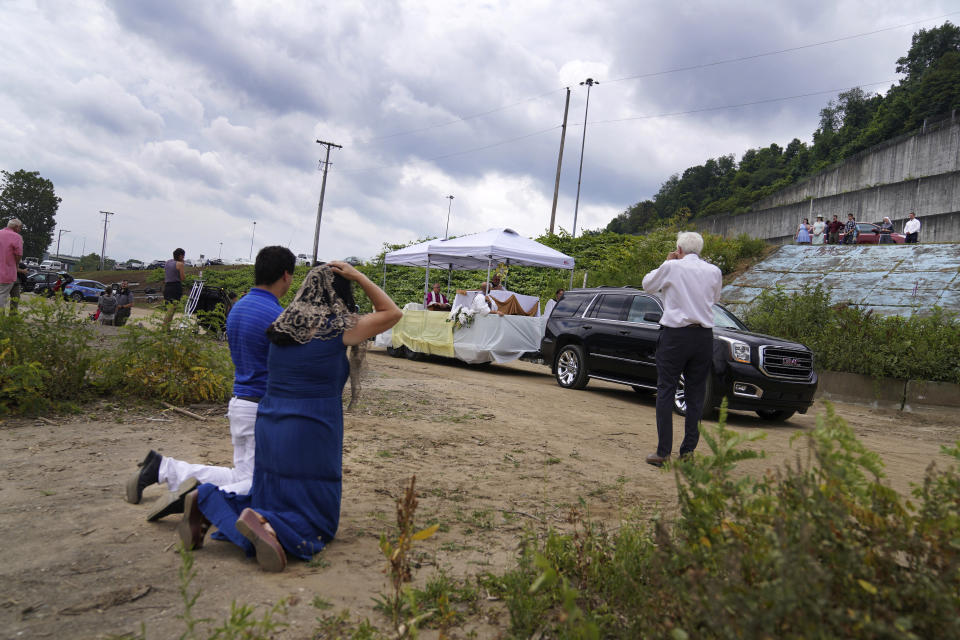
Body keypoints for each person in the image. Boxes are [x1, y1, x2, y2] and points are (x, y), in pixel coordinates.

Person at [178, 261, 402, 572]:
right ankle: (272, 529)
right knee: (316, 516)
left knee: (273, 496)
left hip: (270, 421)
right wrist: (359, 276)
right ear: (338, 294)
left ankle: (210, 499)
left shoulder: (280, 328)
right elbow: (392, 313)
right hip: (312, 426)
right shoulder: (337, 329)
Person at [125, 247, 296, 521]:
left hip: (240, 402)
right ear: (286, 275)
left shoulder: (239, 307)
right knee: (264, 486)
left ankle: (161, 469)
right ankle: (197, 499)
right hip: (261, 409)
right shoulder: (278, 316)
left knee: (242, 476)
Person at [641, 231, 722, 467]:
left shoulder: (672, 266)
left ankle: (663, 452)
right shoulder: (714, 271)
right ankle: (688, 453)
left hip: (676, 335)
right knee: (696, 394)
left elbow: (647, 285)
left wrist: (668, 262)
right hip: (704, 336)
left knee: (666, 389)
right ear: (700, 250)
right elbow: (714, 300)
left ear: (678, 249)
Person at [0, 219, 24, 311]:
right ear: (16, 227)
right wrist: (16, 264)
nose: (20, 229)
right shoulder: (17, 237)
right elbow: (19, 254)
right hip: (7, 272)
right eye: (20, 227)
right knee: (2, 295)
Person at [162, 248, 187, 328]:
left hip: (167, 286)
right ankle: (165, 327)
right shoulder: (180, 264)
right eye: (183, 256)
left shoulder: (167, 262)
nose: (183, 258)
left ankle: (166, 327)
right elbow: (183, 278)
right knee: (172, 309)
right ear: (180, 256)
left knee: (169, 308)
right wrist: (183, 264)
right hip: (175, 287)